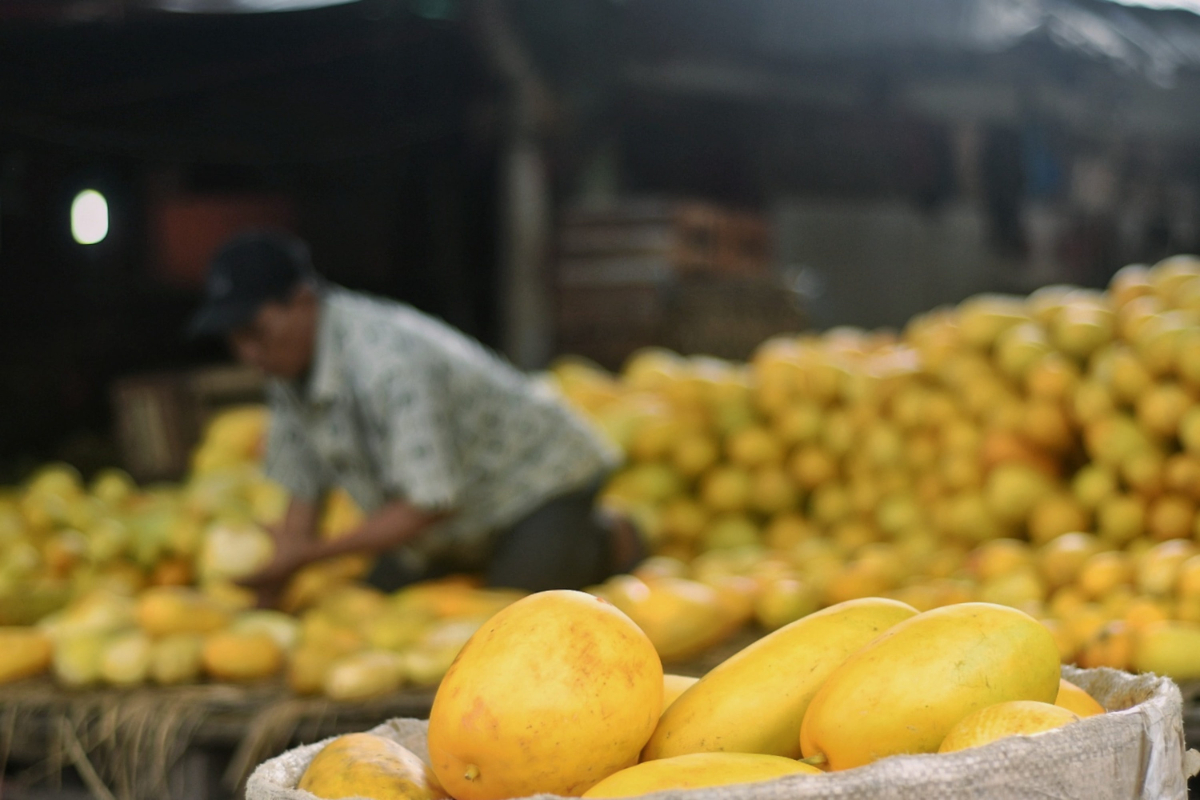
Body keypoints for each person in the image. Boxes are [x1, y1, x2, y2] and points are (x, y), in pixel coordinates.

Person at [188, 231, 639, 604]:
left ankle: (609, 540)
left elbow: (429, 502)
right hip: (460, 513)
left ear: (303, 302)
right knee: (375, 604)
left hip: (543, 482)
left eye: (256, 333)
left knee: (508, 618)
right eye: (236, 340)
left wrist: (310, 555)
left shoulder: (387, 362)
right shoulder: (285, 371)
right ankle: (525, 551)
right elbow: (303, 487)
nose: (249, 354)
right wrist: (274, 588)